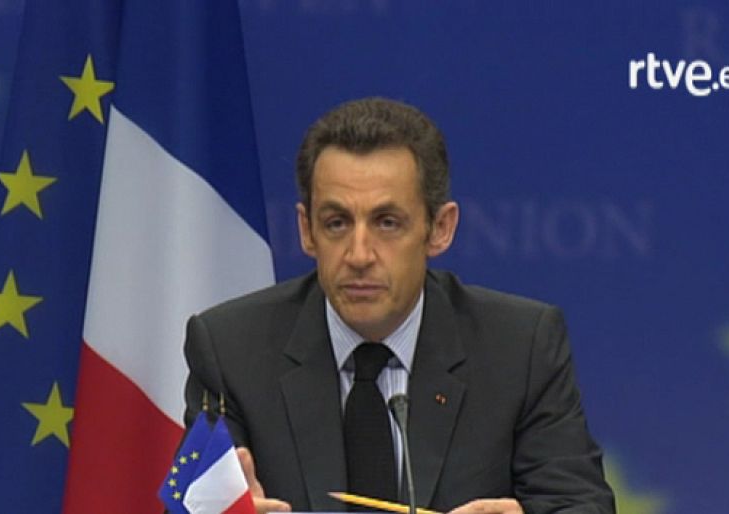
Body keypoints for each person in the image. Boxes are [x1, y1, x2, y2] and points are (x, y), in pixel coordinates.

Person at [182, 97, 615, 514]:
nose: (359, 255)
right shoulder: (229, 350)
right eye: (336, 223)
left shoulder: (521, 349)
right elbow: (187, 507)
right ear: (307, 230)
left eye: (387, 223)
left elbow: (582, 504)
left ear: (440, 229)